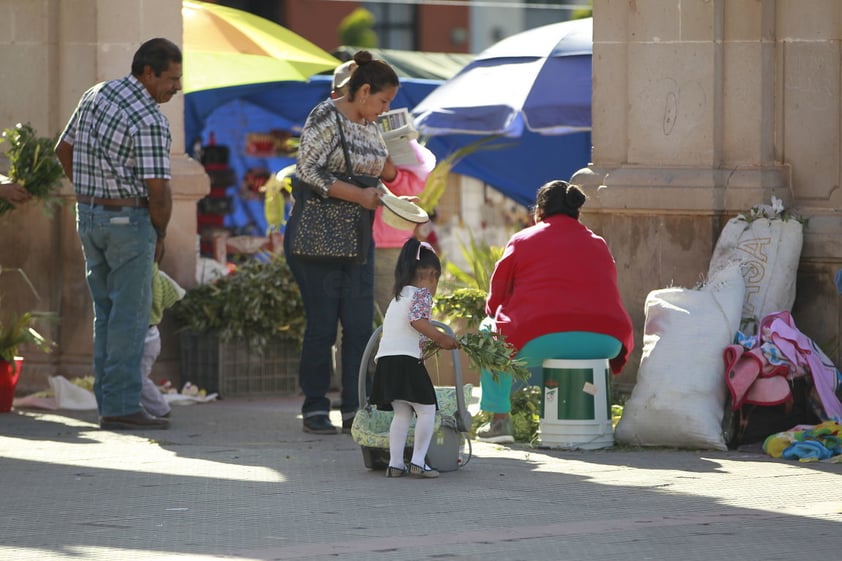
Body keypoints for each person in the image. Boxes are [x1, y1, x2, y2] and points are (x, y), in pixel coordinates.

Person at [55, 38, 182, 430]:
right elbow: (158, 189)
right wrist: (160, 232)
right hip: (129, 223)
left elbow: (63, 149)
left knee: (106, 315)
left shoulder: (96, 94)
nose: (176, 88)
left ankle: (109, 403)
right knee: (129, 317)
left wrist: (92, 193)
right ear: (147, 73)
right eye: (171, 79)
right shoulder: (149, 119)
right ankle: (122, 405)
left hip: (90, 217)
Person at [285, 50, 399, 435]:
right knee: (321, 326)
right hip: (316, 238)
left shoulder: (370, 124)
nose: (384, 110)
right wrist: (358, 196)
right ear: (363, 91)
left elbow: (381, 171)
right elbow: (307, 171)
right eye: (382, 101)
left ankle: (356, 407)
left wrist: (389, 196)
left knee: (359, 326)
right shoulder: (325, 116)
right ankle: (315, 406)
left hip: (357, 240)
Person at [477, 180, 635, 443]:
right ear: (577, 212)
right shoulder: (598, 242)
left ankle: (499, 421)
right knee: (540, 343)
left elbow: (496, 299)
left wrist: (498, 316)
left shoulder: (522, 239)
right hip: (606, 340)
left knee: (489, 332)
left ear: (539, 211)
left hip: (543, 339)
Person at [331, 60, 435, 315]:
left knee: (393, 318)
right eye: (349, 90)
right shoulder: (328, 129)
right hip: (343, 241)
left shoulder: (384, 127)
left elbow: (416, 187)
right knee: (347, 322)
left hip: (389, 243)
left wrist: (391, 175)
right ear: (336, 95)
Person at [369, 238, 459, 478]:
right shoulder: (421, 295)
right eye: (437, 280)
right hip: (406, 361)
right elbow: (418, 322)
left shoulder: (397, 298)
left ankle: (396, 463)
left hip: (386, 361)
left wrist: (428, 344)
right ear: (431, 275)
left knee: (402, 413)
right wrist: (443, 339)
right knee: (427, 410)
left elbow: (405, 331)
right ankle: (419, 460)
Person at [140, 265, 185, 418]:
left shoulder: (149, 275)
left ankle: (161, 409)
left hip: (147, 337)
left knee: (138, 377)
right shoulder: (157, 276)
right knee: (135, 376)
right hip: (150, 335)